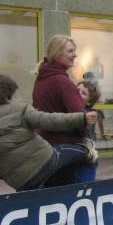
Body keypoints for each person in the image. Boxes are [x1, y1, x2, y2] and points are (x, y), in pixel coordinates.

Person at [0, 75, 97, 191]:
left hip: (20, 181)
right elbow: (50, 120)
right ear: (8, 93)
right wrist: (81, 118)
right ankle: (89, 152)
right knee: (70, 150)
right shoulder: (19, 109)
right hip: (45, 162)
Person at [32, 34, 90, 184]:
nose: (75, 55)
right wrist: (83, 134)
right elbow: (80, 118)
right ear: (57, 53)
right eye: (70, 51)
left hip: (45, 147)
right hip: (65, 149)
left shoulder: (41, 79)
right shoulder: (62, 81)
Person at [76, 79, 103, 182]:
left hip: (85, 162)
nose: (78, 93)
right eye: (77, 90)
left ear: (89, 101)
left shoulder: (88, 114)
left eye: (83, 93)